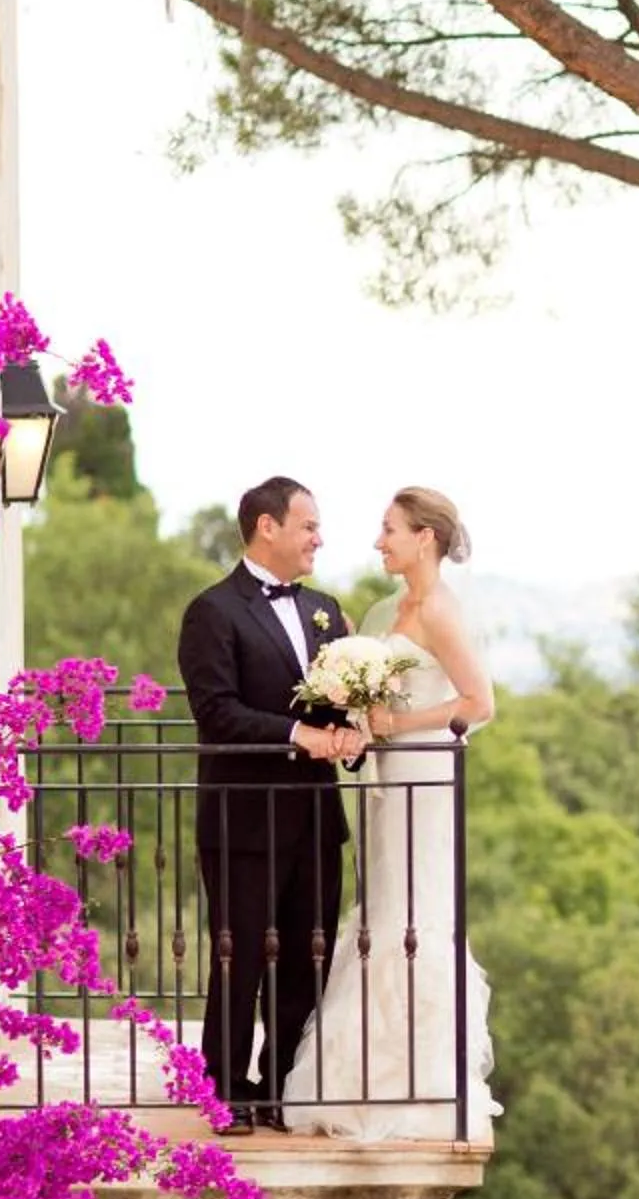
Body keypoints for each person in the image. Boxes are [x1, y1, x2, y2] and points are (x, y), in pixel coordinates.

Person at [283, 487, 500, 1141]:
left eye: (390, 530)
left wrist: (398, 721)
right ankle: (365, 1071)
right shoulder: (389, 608)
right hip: (386, 774)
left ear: (424, 538)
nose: (380, 541)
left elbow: (479, 703)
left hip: (424, 772)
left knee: (416, 907)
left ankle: (419, 1075)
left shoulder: (438, 611)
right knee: (382, 903)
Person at [176, 476, 364, 1134]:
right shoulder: (212, 611)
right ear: (268, 528)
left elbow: (335, 707)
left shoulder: (325, 609)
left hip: (314, 818)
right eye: (308, 525)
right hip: (243, 821)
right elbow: (217, 713)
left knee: (306, 958)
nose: (319, 538)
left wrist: (351, 731)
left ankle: (284, 1088)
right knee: (242, 956)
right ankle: (225, 1091)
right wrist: (297, 735)